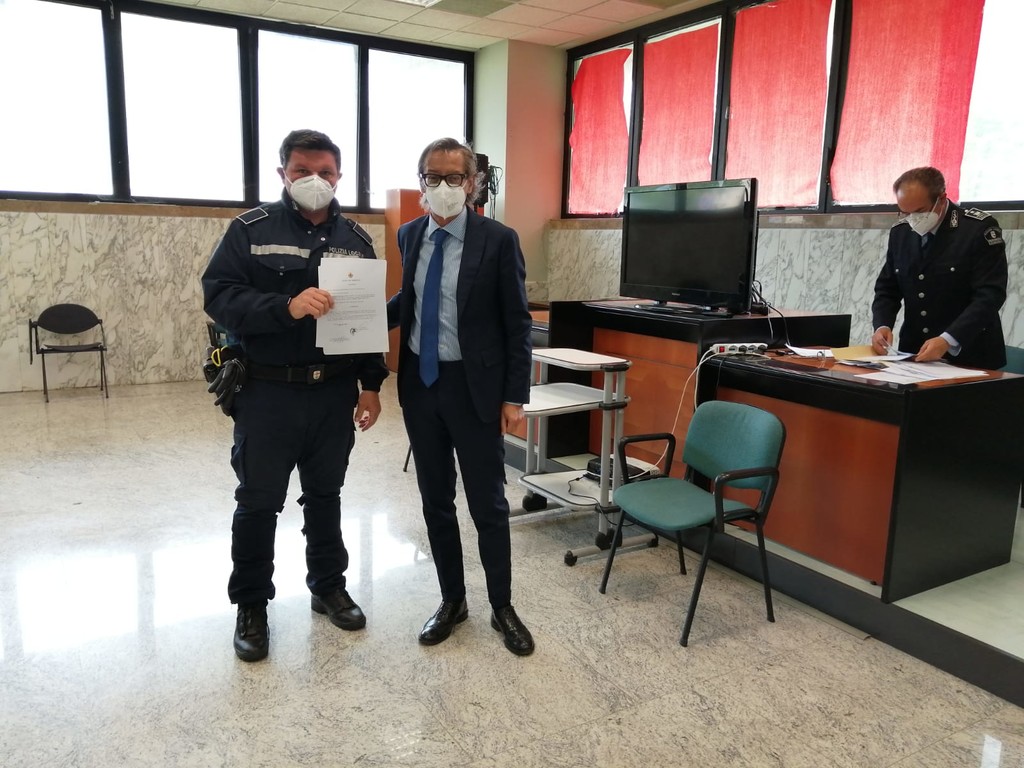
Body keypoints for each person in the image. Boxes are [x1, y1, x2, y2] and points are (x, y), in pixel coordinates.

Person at [202, 129, 388, 662]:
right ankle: (251, 605)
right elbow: (220, 297)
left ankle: (328, 587)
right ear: (283, 173)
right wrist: (285, 307)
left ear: (339, 177)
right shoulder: (251, 230)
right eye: (302, 171)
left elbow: (366, 321)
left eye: (325, 172)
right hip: (267, 392)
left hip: (332, 393)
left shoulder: (356, 240)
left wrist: (371, 385)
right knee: (259, 502)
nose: (315, 180)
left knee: (325, 496)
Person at [386, 138, 535, 656]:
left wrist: (514, 397)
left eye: (454, 177)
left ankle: (502, 606)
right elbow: (411, 299)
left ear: (472, 183)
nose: (444, 186)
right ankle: (453, 600)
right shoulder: (409, 234)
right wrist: (356, 316)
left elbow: (518, 324)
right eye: (434, 177)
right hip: (421, 388)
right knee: (436, 501)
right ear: (421, 182)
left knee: (488, 504)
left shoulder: (499, 240)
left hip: (476, 390)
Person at [871, 166, 1007, 369]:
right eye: (905, 212)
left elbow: (990, 295)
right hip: (915, 352)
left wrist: (948, 339)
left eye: (919, 211)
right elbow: (887, 289)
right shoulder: (901, 232)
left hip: (971, 354)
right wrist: (882, 325)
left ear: (941, 199)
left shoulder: (976, 229)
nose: (913, 219)